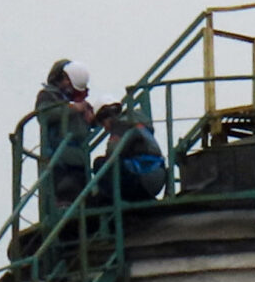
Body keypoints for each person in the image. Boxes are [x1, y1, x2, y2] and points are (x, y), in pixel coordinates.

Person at [34, 60, 93, 203]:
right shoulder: (47, 96)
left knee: (82, 197)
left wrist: (92, 116)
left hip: (78, 158)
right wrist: (73, 109)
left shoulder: (74, 100)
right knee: (64, 195)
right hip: (58, 158)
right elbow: (44, 115)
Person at [94, 102, 168, 201]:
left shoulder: (121, 125)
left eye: (103, 124)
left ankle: (109, 200)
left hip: (143, 177)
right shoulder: (138, 123)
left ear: (107, 116)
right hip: (157, 176)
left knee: (100, 163)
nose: (106, 129)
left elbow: (111, 153)